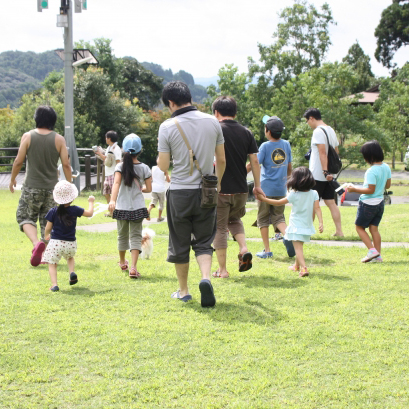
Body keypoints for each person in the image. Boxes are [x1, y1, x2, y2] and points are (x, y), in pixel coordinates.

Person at [158, 81, 226, 307]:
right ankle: (206, 278)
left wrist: (161, 161)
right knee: (204, 240)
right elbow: (222, 160)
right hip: (206, 191)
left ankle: (184, 290)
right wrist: (217, 185)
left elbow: (163, 165)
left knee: (179, 241)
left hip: (179, 193)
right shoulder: (213, 122)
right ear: (189, 97)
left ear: (170, 102)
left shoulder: (167, 126)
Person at [9, 105, 72, 267]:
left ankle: (36, 243)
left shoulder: (28, 136)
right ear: (53, 121)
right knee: (48, 222)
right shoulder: (59, 139)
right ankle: (45, 256)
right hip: (52, 189)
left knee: (25, 217)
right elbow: (66, 164)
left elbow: (18, 161)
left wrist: (12, 179)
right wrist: (69, 185)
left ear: (36, 118)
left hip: (31, 187)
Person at [211, 96, 264, 278]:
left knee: (219, 227)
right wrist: (257, 186)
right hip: (242, 189)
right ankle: (243, 248)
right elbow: (255, 161)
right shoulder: (246, 132)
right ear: (235, 112)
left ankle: (222, 270)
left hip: (221, 189)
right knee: (234, 220)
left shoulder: (215, 130)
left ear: (216, 112)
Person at [257, 166, 324, 277]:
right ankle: (296, 266)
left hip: (296, 225)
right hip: (307, 225)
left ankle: (303, 268)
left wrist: (264, 199)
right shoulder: (314, 193)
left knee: (298, 248)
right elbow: (317, 208)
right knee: (299, 246)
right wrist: (321, 222)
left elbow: (278, 202)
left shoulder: (294, 194)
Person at [108, 134, 152, 278]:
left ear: (124, 150)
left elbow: (116, 184)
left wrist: (112, 200)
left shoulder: (120, 166)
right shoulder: (144, 168)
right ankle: (133, 267)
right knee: (135, 236)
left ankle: (122, 262)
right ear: (140, 151)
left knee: (122, 236)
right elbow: (149, 188)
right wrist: (141, 189)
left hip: (121, 207)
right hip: (138, 208)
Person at [252, 115, 295, 259]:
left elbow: (255, 164)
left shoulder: (265, 146)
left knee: (263, 218)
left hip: (265, 189)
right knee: (278, 217)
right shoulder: (286, 144)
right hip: (281, 188)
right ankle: (287, 236)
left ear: (268, 131)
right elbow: (289, 167)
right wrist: (287, 181)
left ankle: (267, 250)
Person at [41, 181, 95, 292]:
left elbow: (48, 227)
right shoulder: (75, 210)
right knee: (69, 258)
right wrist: (91, 202)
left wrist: (46, 235)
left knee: (52, 263)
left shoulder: (53, 211)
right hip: (70, 243)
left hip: (56, 243)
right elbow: (89, 213)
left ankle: (54, 285)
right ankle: (71, 272)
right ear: (72, 198)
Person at [346, 140, 391, 262]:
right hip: (380, 203)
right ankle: (378, 256)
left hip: (368, 204)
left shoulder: (371, 171)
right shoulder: (386, 167)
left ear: (370, 156)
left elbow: (370, 190)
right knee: (374, 229)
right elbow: (388, 185)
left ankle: (372, 251)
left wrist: (354, 189)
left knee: (359, 227)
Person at [304, 107, 344, 237]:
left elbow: (322, 153)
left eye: (307, 121)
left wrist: (325, 172)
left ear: (311, 118)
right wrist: (330, 173)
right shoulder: (330, 130)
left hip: (318, 174)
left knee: (312, 203)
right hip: (329, 175)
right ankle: (339, 231)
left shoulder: (318, 131)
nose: (307, 124)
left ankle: (307, 232)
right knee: (331, 202)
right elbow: (336, 151)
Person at [95, 130, 122, 213]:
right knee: (106, 193)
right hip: (107, 174)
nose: (105, 139)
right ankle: (112, 211)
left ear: (109, 138)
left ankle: (116, 211)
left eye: (106, 138)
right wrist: (99, 154)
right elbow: (106, 159)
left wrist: (118, 174)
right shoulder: (109, 148)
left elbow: (118, 161)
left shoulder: (116, 149)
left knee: (115, 195)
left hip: (113, 174)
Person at [147, 156, 170, 222]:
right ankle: (159, 217)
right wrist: (167, 176)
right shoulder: (164, 169)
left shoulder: (153, 168)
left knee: (153, 201)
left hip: (154, 188)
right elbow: (168, 180)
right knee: (161, 203)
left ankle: (148, 210)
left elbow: (151, 178)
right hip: (161, 189)